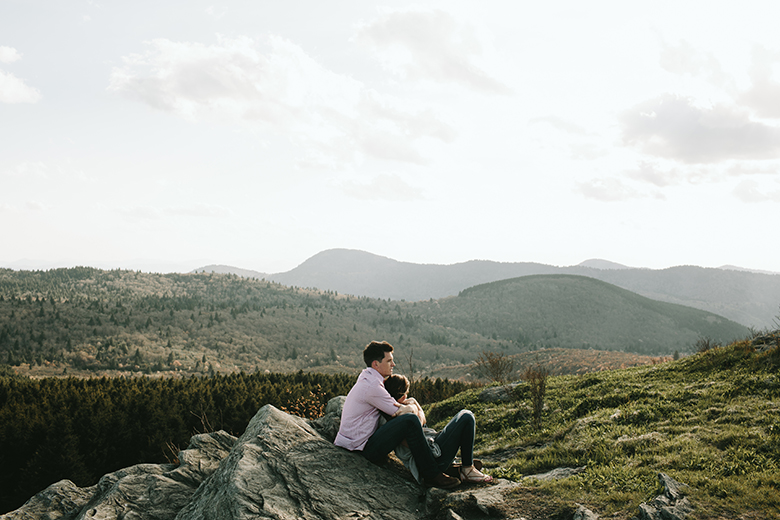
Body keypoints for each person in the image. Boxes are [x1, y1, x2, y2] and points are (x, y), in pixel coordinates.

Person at [334, 340, 491, 489]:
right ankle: (431, 474)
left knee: (464, 415)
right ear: (376, 364)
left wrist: (413, 407)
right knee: (409, 420)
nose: (393, 364)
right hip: (361, 448)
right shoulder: (372, 386)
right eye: (389, 361)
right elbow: (405, 414)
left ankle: (460, 469)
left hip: (358, 442)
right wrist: (415, 405)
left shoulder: (369, 379)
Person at [384, 374, 492, 485]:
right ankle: (467, 469)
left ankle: (454, 468)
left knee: (464, 416)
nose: (408, 397)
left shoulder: (402, 410)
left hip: (435, 449)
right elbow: (419, 433)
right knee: (466, 417)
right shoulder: (399, 418)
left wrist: (414, 405)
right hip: (433, 459)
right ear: (401, 395)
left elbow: (422, 419)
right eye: (406, 394)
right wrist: (414, 407)